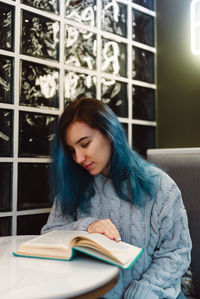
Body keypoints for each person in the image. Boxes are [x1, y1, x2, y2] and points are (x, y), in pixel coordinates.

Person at [41, 97, 192, 299]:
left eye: (84, 144)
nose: (78, 158)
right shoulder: (74, 185)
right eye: (71, 150)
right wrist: (87, 227)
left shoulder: (161, 187)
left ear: (109, 134)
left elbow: (177, 252)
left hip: (155, 293)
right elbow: (49, 235)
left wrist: (142, 290)